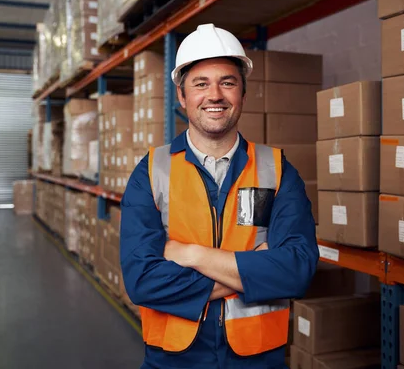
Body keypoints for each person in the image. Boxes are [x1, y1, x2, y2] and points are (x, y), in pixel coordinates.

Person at [120, 23, 319, 369]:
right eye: (201, 84)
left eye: (227, 82)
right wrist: (253, 271)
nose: (215, 95)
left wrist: (189, 253)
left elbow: (296, 271)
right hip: (173, 360)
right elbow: (142, 280)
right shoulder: (151, 171)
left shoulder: (277, 169)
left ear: (243, 93)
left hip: (259, 359)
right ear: (182, 97)